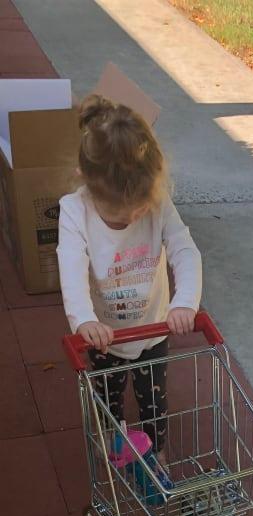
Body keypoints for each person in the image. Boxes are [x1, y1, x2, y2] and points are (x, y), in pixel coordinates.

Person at [57, 94, 202, 462]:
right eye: (124, 213)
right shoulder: (75, 212)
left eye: (143, 206)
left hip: (152, 326)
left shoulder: (155, 203)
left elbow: (185, 250)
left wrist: (184, 301)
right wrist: (84, 319)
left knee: (154, 396)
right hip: (105, 333)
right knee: (109, 393)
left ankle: (157, 451)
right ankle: (115, 439)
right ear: (87, 185)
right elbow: (71, 267)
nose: (138, 215)